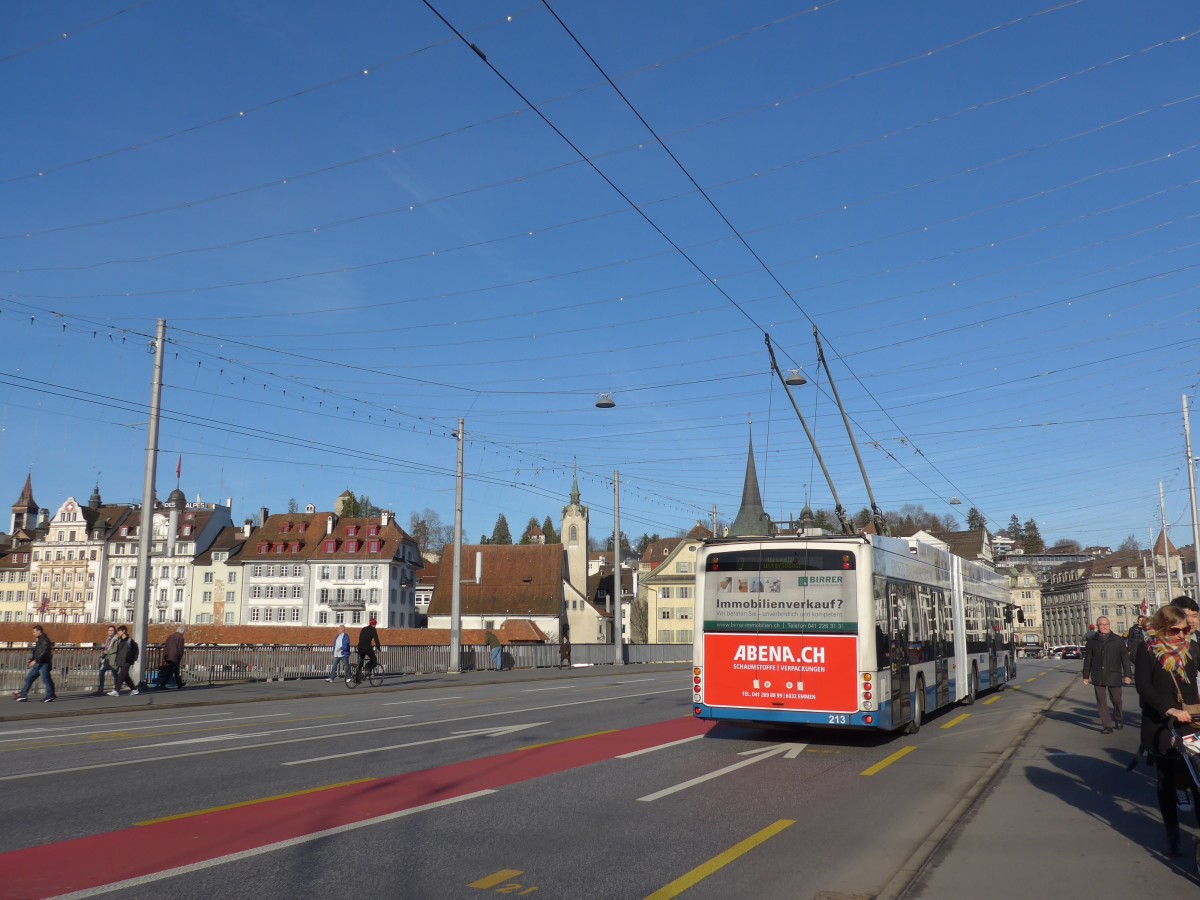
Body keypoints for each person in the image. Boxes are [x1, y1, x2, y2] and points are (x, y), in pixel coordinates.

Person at [1135, 604, 1200, 857]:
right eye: (1176, 631)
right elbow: (1143, 686)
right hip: (1163, 725)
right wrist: (1168, 709)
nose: (1182, 636)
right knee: (1168, 781)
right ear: (1163, 629)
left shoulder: (1192, 649)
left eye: (1185, 630)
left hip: (1192, 723)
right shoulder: (1148, 650)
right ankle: (1172, 834)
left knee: (1197, 781)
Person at [1082, 615, 1132, 733]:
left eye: (1106, 624)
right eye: (1102, 625)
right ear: (1098, 626)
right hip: (1097, 674)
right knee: (1101, 700)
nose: (1105, 627)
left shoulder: (1117, 640)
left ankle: (1118, 718)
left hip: (1114, 673)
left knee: (1116, 699)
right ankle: (1107, 725)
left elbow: (1124, 659)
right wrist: (1085, 676)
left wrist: (1128, 675)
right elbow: (1088, 659)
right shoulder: (1092, 641)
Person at [14, 624, 56, 702]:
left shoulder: (44, 640)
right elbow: (37, 652)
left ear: (39, 631)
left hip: (43, 663)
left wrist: (35, 660)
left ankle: (50, 695)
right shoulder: (40, 639)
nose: (33, 633)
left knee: (45, 679)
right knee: (29, 678)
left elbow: (44, 652)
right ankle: (23, 695)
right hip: (39, 662)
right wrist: (32, 659)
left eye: (34, 632)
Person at [108, 625, 140, 696]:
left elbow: (134, 651)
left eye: (119, 631)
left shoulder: (130, 641)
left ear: (123, 631)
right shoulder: (119, 640)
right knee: (125, 676)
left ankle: (116, 691)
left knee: (121, 675)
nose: (118, 632)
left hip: (127, 661)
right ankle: (134, 689)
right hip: (120, 661)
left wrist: (130, 658)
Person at [352, 617, 381, 684]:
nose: (375, 625)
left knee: (361, 662)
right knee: (374, 659)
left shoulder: (364, 629)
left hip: (360, 647)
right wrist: (379, 648)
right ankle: (367, 667)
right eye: (375, 624)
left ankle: (357, 679)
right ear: (374, 624)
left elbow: (360, 638)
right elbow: (376, 640)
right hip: (366, 647)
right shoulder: (373, 629)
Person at [94, 625, 118, 695]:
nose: (110, 632)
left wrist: (107, 652)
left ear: (114, 631)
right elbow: (106, 647)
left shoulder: (116, 639)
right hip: (106, 658)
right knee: (101, 672)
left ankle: (116, 688)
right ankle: (101, 689)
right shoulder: (108, 638)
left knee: (114, 673)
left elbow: (114, 649)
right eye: (109, 630)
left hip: (113, 658)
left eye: (112, 630)